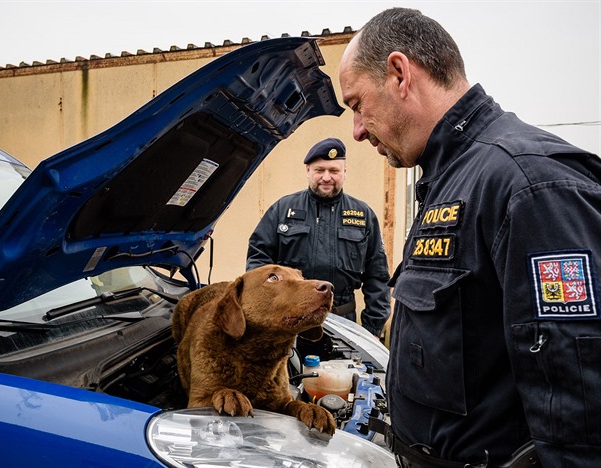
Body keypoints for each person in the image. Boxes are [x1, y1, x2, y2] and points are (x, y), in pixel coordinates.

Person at [339, 7, 601, 468]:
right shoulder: (452, 179)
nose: (357, 130)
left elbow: (580, 395)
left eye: (358, 105)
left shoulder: (528, 183)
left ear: (400, 73)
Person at [246, 137, 391, 338]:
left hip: (344, 325)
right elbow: (258, 263)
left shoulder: (363, 215)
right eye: (319, 170)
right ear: (308, 171)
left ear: (345, 173)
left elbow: (378, 277)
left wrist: (372, 330)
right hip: (291, 322)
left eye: (334, 171)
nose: (326, 177)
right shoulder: (282, 209)